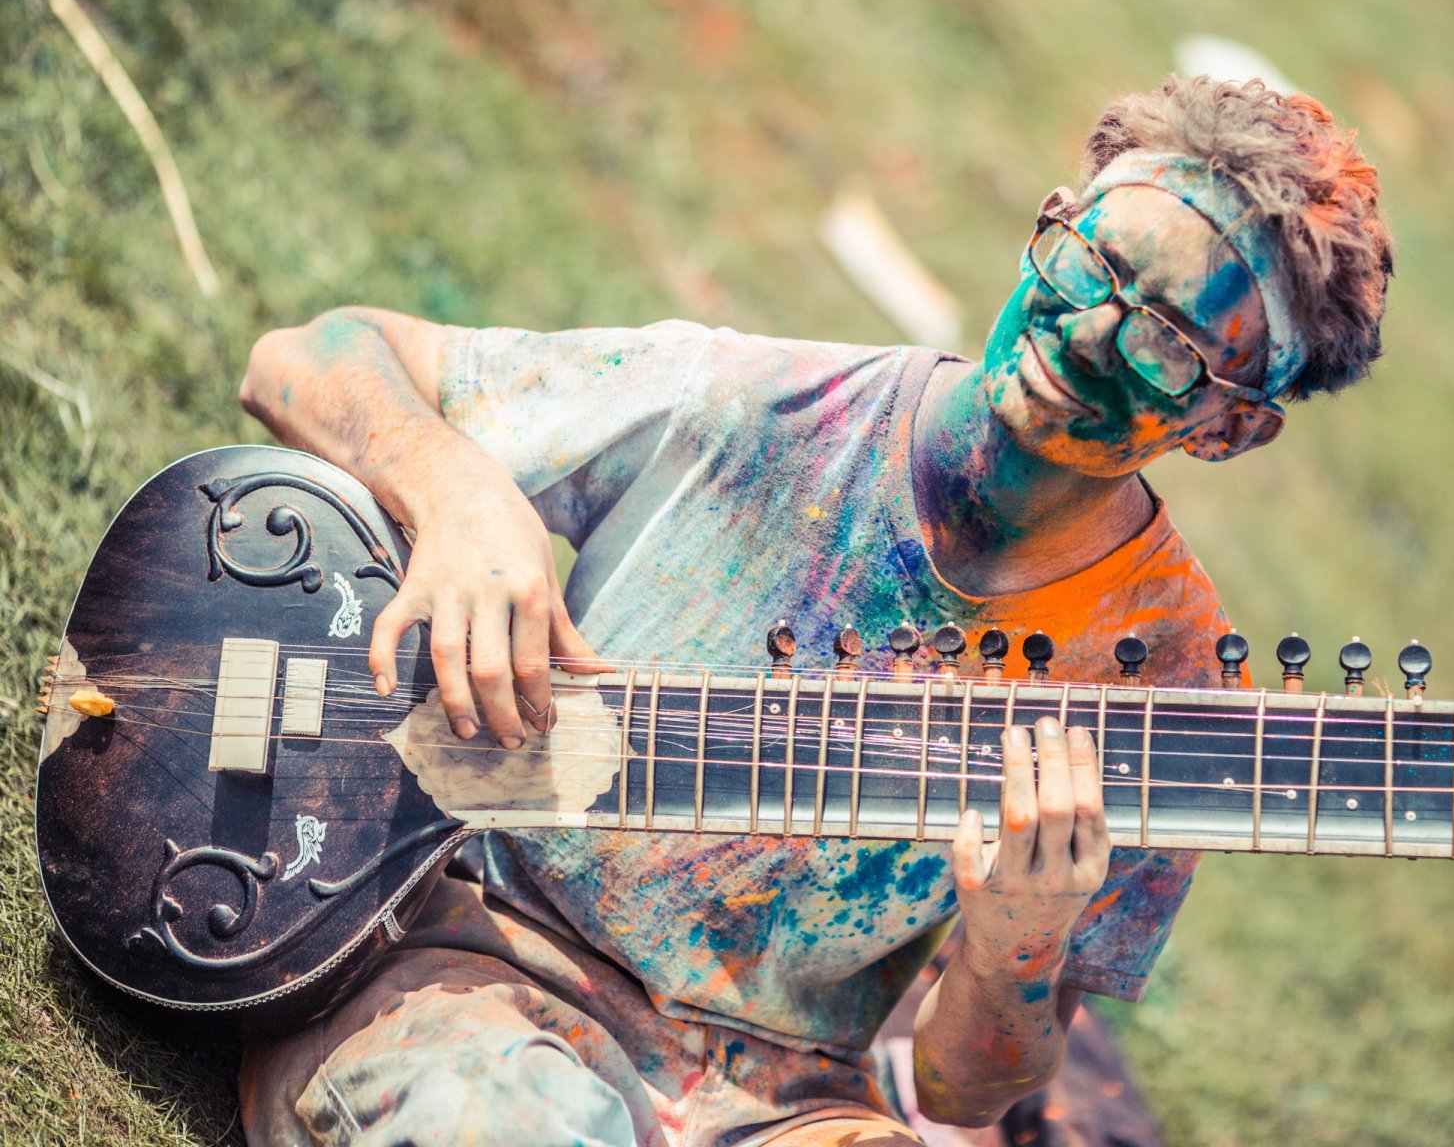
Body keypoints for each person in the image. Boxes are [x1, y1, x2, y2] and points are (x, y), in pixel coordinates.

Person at [234, 76, 1392, 1147]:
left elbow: (962, 1091)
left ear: (1231, 427)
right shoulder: (762, 412)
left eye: (1169, 339)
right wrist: (463, 498)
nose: (1089, 335)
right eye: (1093, 262)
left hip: (785, 1100)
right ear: (1054, 221)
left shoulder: (1174, 686)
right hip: (474, 961)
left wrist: (1016, 951)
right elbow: (312, 357)